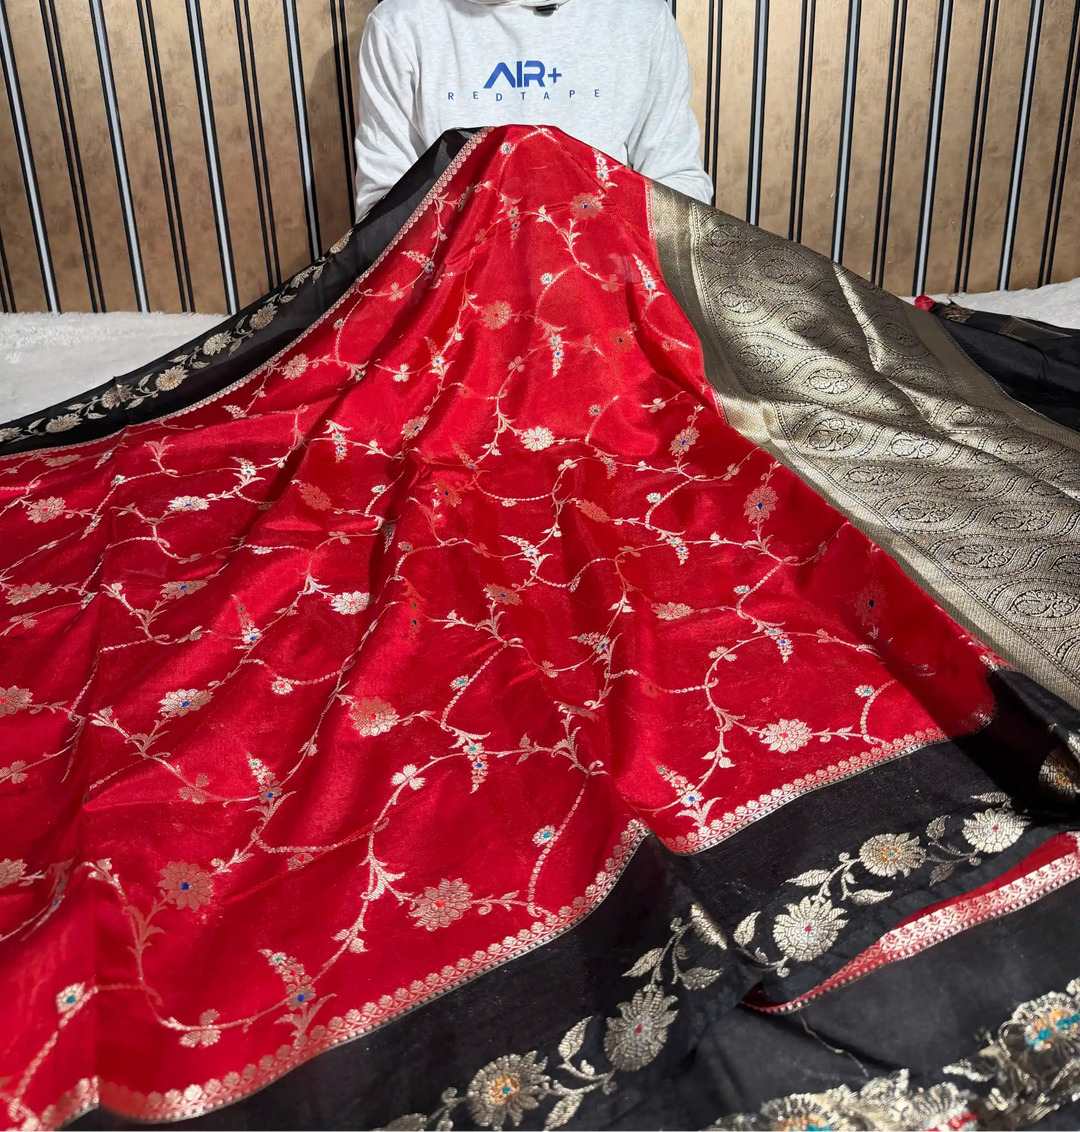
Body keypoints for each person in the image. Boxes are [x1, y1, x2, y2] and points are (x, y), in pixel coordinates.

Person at [353, 0, 714, 219]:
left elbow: (679, 187)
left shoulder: (640, 18)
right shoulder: (400, 25)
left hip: (607, 284)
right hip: (457, 293)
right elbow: (380, 214)